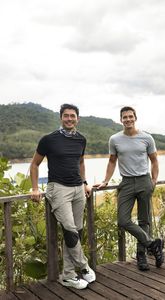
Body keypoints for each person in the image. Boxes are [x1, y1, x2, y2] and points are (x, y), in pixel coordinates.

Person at [30, 103, 96, 289]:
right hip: (58, 189)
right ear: (61, 118)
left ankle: (67, 275)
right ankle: (83, 266)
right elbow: (34, 164)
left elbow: (81, 162)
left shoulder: (81, 140)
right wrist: (35, 188)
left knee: (77, 230)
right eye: (66, 116)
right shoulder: (48, 140)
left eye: (72, 116)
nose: (69, 119)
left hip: (78, 189)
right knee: (69, 229)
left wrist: (84, 182)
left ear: (78, 118)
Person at [94, 106, 164, 271]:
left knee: (144, 220)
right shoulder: (114, 139)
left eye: (130, 117)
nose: (128, 120)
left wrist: (153, 179)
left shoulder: (147, 138)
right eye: (124, 117)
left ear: (135, 118)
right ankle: (153, 244)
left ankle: (142, 257)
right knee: (123, 220)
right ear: (121, 120)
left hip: (144, 181)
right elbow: (112, 161)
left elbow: (154, 160)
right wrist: (105, 180)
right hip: (126, 183)